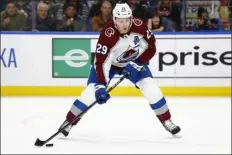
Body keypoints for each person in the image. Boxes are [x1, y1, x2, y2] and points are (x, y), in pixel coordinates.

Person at [58, 3, 181, 137]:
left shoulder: (139, 26)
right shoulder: (107, 33)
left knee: (151, 88)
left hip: (132, 62)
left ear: (131, 18)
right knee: (90, 92)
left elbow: (151, 46)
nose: (124, 24)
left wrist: (139, 61)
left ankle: (167, 120)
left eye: (126, 20)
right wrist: (100, 87)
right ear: (114, 19)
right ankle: (69, 121)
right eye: (120, 21)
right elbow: (101, 62)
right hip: (109, 65)